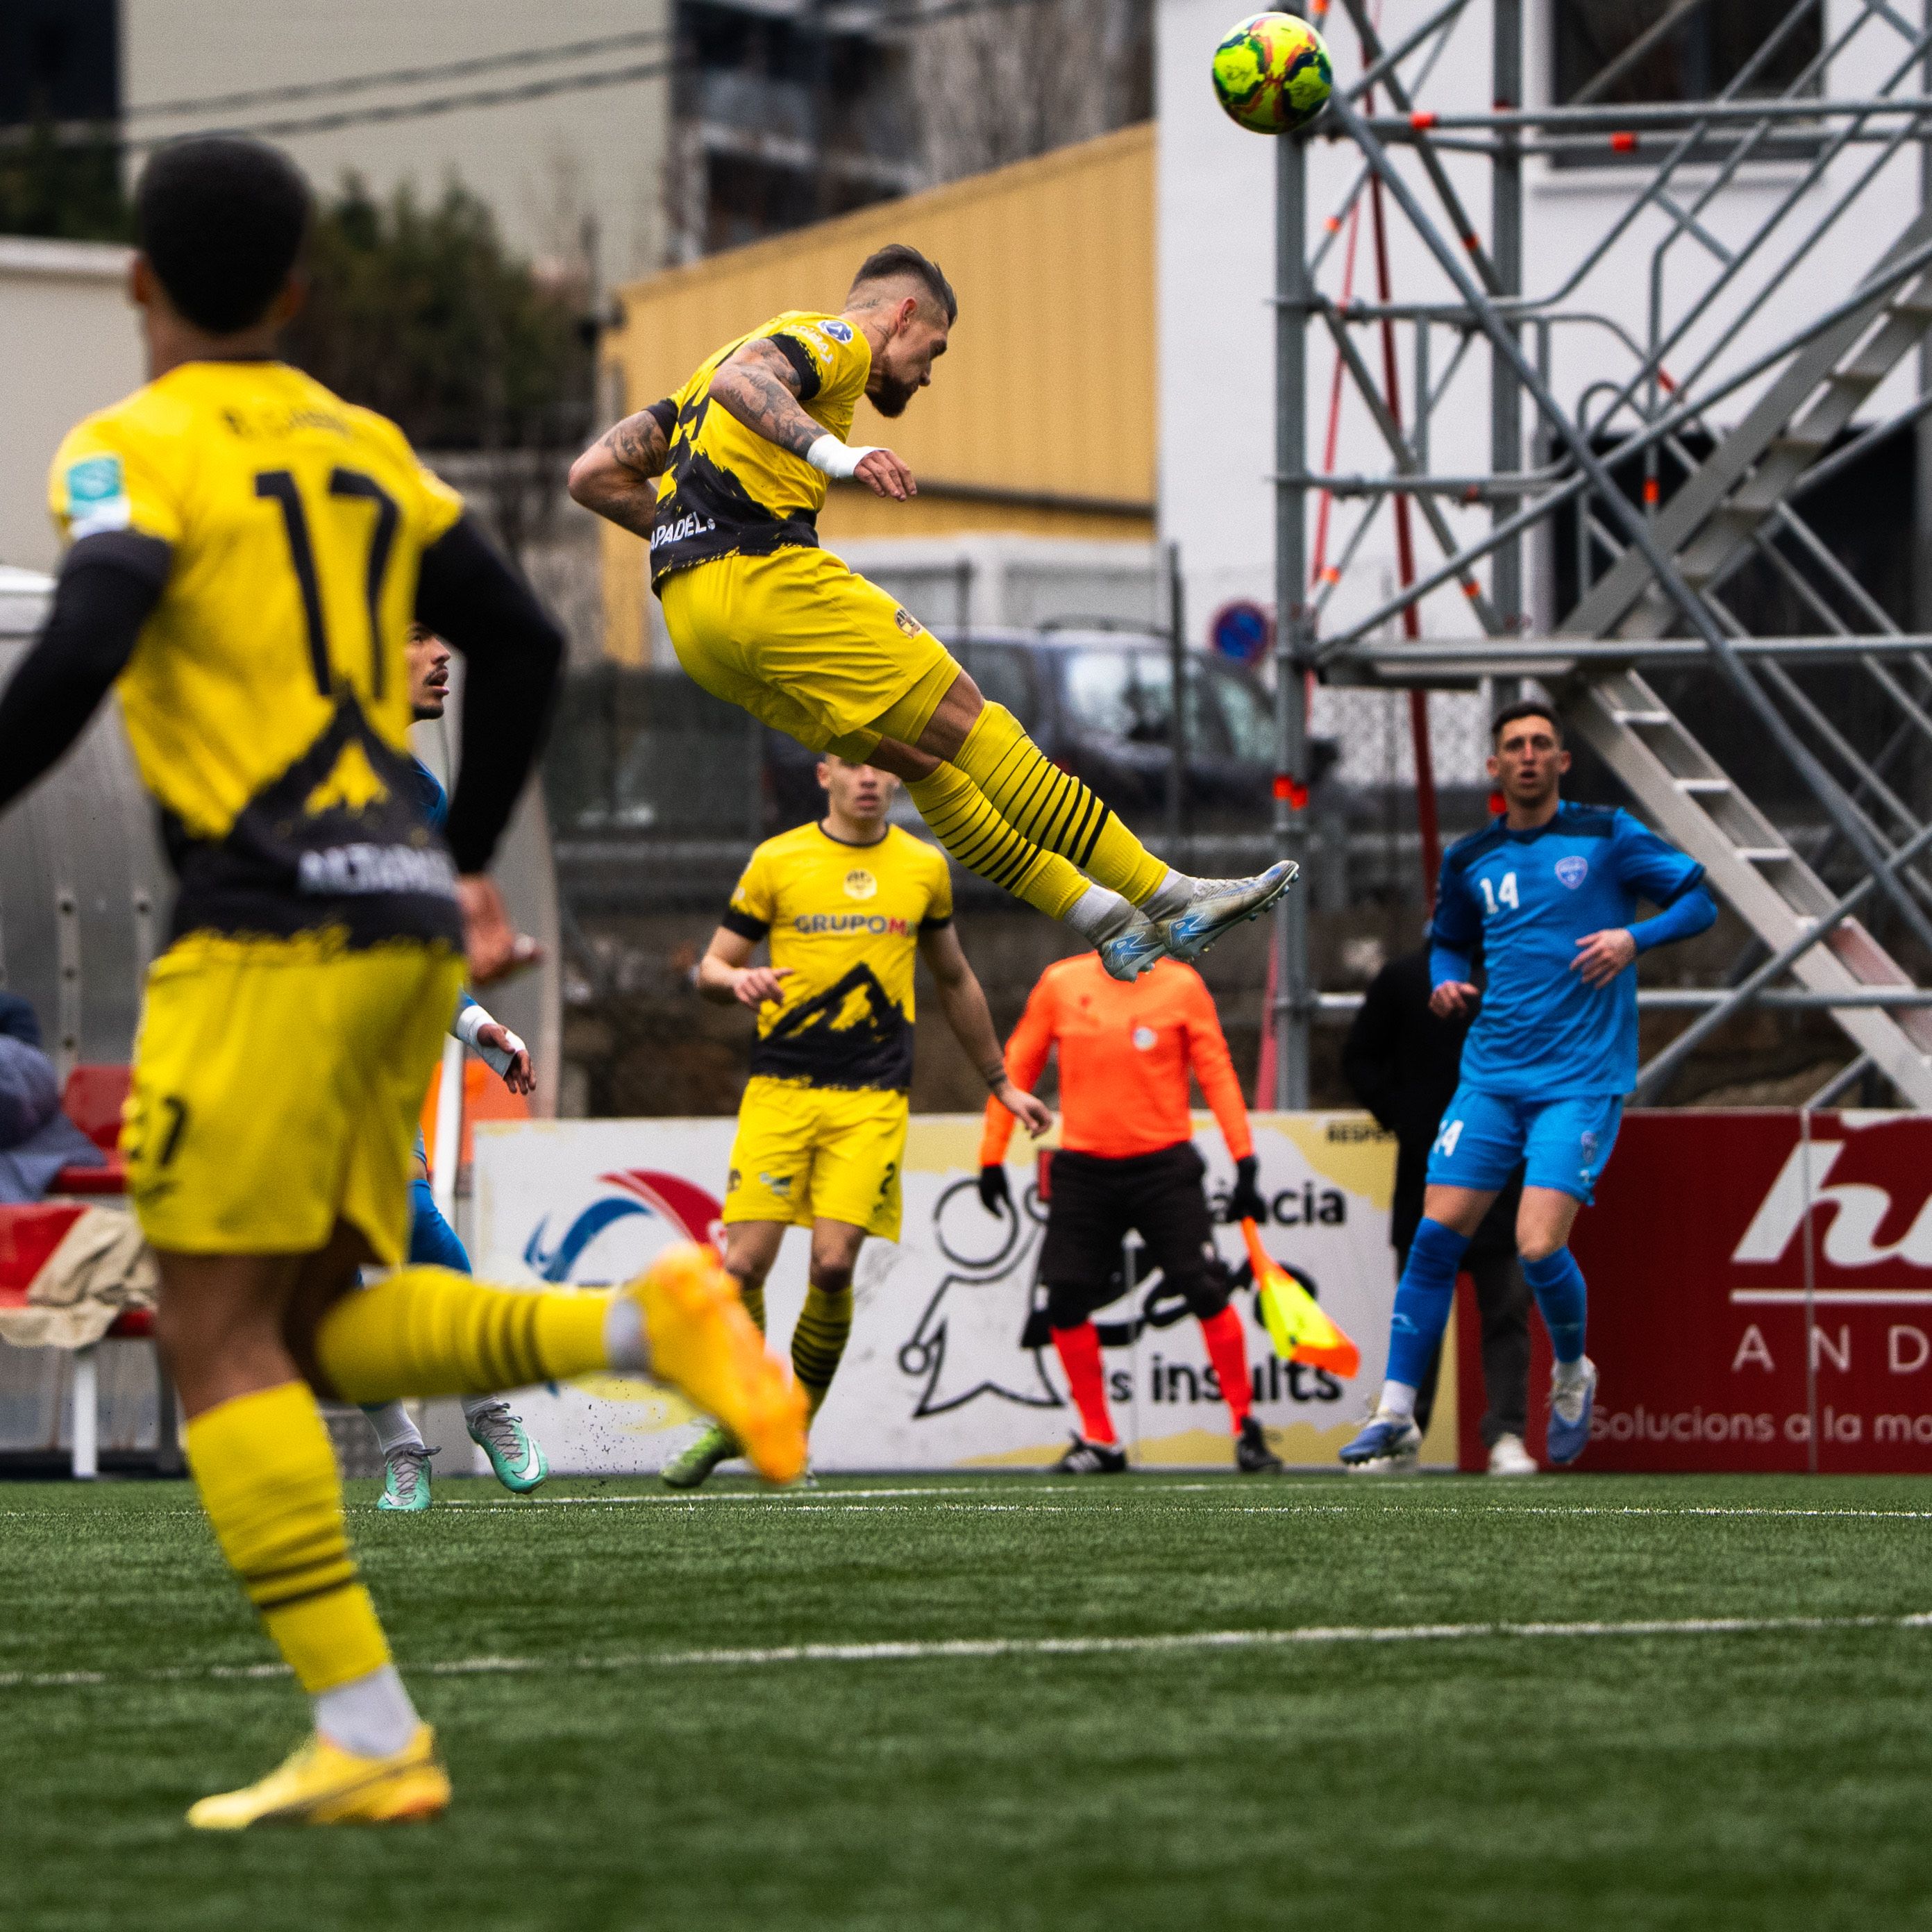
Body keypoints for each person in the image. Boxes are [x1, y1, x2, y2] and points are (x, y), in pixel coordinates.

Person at [0, 135, 805, 1830]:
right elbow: (520, 641)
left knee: (216, 1335)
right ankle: (623, 1334)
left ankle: (371, 1720)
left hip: (261, 923)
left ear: (139, 286)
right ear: (296, 294)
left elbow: (87, 637)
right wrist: (463, 860)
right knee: (307, 1319)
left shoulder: (125, 447)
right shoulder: (363, 444)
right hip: (392, 918)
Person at [565, 244, 1294, 986]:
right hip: (768, 581)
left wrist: (693, 528)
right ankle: (1168, 896)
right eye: (933, 349)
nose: (927, 371)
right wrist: (836, 457)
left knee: (927, 766)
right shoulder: (842, 339)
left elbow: (591, 475)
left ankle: (1104, 922)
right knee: (981, 729)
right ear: (904, 314)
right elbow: (740, 382)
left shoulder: (698, 377)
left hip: (696, 626)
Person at [1341, 701, 1716, 1473]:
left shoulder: (1605, 835)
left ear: (1561, 761)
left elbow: (1698, 899)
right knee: (1432, 1237)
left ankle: (1573, 1373)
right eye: (1513, 744)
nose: (1527, 754)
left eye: (1542, 742)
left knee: (1535, 1244)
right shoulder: (1470, 856)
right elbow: (1446, 944)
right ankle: (1395, 1413)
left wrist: (1630, 936)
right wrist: (1445, 984)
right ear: (1493, 767)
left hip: (1577, 1079)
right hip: (1489, 1076)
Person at [664, 753, 1053, 1487]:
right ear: (824, 775)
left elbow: (954, 977)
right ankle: (740, 1410)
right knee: (741, 1263)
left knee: (834, 1264)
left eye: (880, 766)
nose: (868, 778)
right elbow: (712, 967)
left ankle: (787, 1433)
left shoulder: (922, 867)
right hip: (779, 1090)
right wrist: (733, 979)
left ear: (898, 780)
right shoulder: (777, 860)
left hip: (870, 1097)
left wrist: (1000, 1080)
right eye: (852, 765)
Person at [356, 625, 549, 1510]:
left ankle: (484, 1400)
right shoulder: (287, 772)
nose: (443, 656)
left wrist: (477, 1026)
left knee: (413, 1224)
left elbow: (422, 951)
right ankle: (401, 1445)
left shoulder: (423, 797)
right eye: (415, 637)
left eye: (445, 638)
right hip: (269, 1047)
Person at [980, 950, 1283, 1475]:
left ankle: (1245, 1426)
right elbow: (1016, 1065)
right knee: (1065, 1296)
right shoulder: (1060, 981)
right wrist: (991, 1156)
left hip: (1164, 1167)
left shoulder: (1181, 985)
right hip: (1083, 1167)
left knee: (1203, 1286)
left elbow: (1216, 1071)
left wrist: (1245, 1159)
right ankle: (1100, 1439)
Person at [1342, 941, 1534, 1477]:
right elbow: (1359, 1056)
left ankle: (1507, 1435)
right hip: (1427, 1170)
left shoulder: (1518, 972)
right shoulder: (1404, 977)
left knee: (1507, 1307)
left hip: (1506, 1172)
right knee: (1419, 1310)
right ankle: (1402, 1429)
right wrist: (1403, 1112)